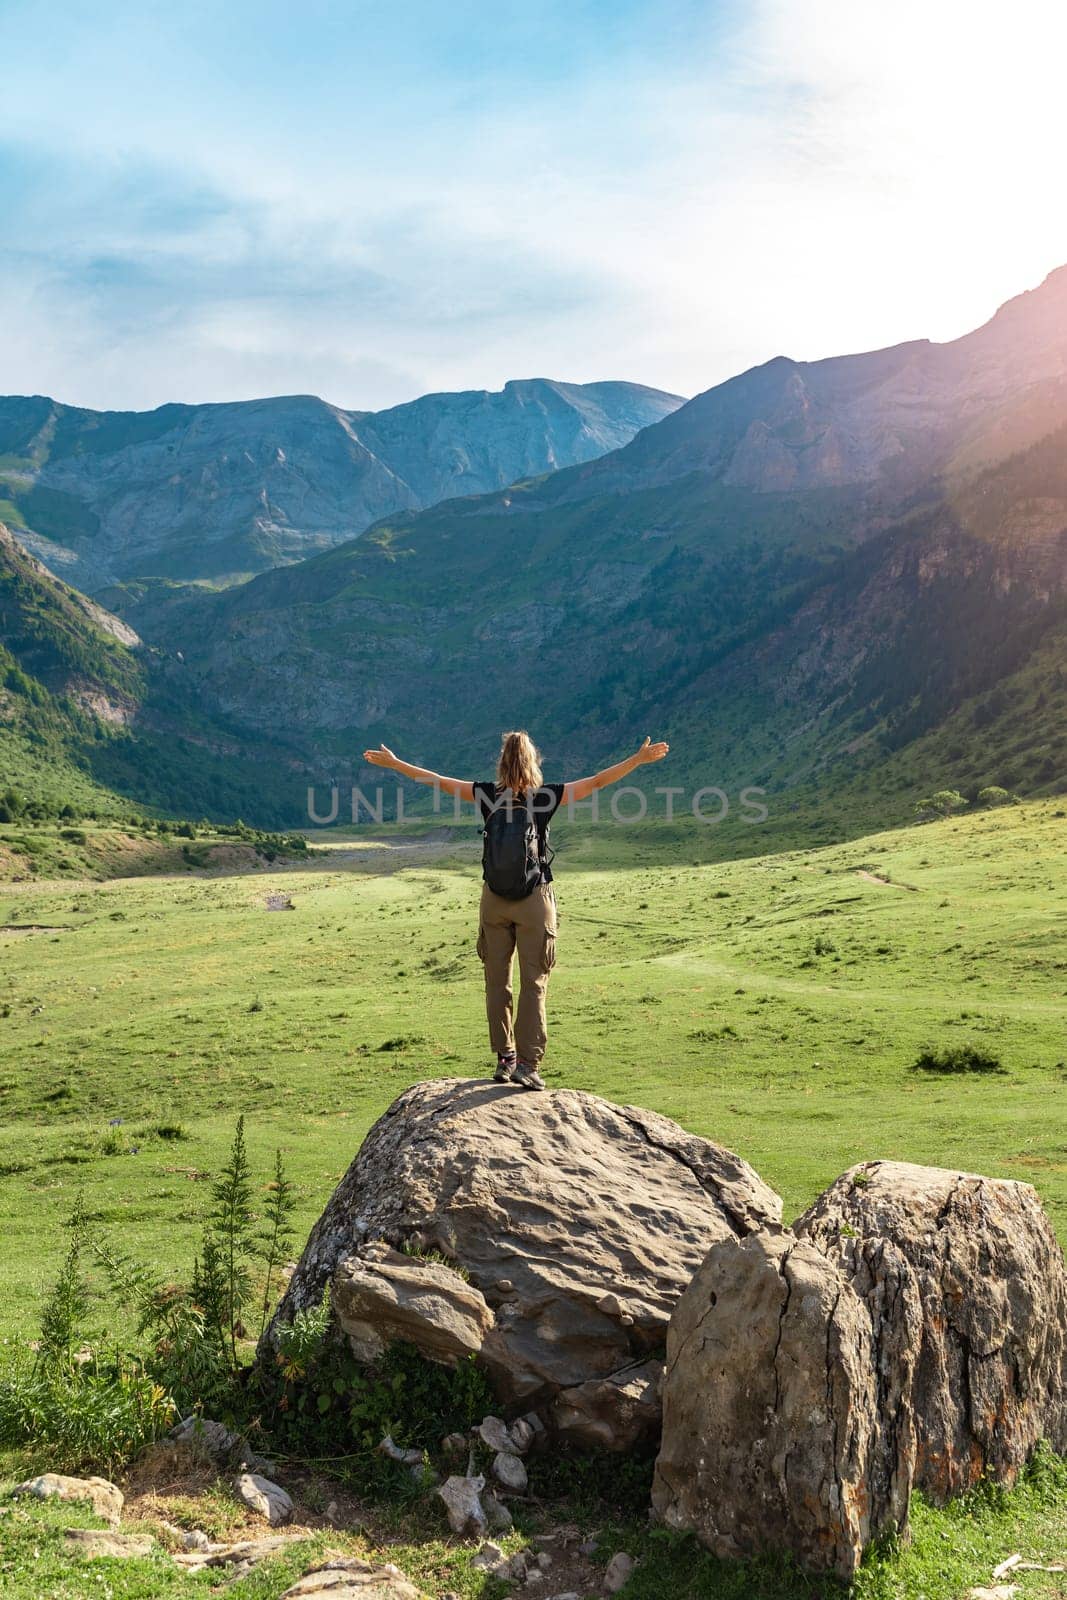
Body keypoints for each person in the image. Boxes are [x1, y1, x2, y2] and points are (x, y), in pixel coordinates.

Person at [362, 730, 669, 1090]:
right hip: (534, 899)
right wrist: (638, 759)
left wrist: (395, 763)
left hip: (493, 899)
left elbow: (437, 781)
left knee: (497, 983)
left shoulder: (485, 795)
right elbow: (599, 781)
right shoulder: (545, 797)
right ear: (533, 761)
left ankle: (504, 1058)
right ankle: (527, 1064)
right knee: (534, 983)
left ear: (501, 762)